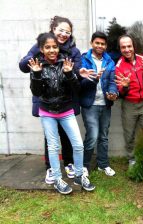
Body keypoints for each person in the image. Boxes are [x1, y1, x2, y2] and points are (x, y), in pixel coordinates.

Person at [29, 33, 95, 194]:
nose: (52, 50)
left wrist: (69, 74)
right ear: (41, 49)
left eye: (54, 46)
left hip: (66, 110)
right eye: (47, 47)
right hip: (47, 112)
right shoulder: (37, 65)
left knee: (78, 145)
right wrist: (36, 74)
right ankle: (58, 178)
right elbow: (37, 92)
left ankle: (79, 175)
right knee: (53, 147)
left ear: (58, 47)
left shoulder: (66, 62)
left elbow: (76, 89)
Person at [19, 16, 82, 184]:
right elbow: (25, 65)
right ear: (53, 29)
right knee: (51, 138)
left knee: (68, 136)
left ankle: (69, 163)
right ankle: (51, 168)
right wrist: (33, 66)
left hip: (66, 101)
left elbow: (75, 74)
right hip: (47, 103)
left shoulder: (72, 50)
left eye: (68, 32)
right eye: (61, 30)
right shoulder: (40, 48)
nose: (64, 34)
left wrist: (74, 72)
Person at [80, 31, 118, 177]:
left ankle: (103, 164)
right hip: (90, 105)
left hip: (105, 104)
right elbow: (81, 82)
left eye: (103, 44)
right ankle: (84, 165)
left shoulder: (109, 62)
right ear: (92, 43)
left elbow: (112, 82)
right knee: (92, 136)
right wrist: (94, 78)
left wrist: (113, 93)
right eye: (97, 43)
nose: (100, 46)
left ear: (106, 46)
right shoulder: (84, 59)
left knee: (103, 136)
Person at [115, 34, 143, 167]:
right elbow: (121, 91)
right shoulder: (119, 66)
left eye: (129, 46)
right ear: (120, 49)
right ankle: (132, 159)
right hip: (129, 104)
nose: (127, 49)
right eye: (123, 47)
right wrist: (125, 87)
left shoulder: (142, 60)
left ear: (133, 46)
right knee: (129, 134)